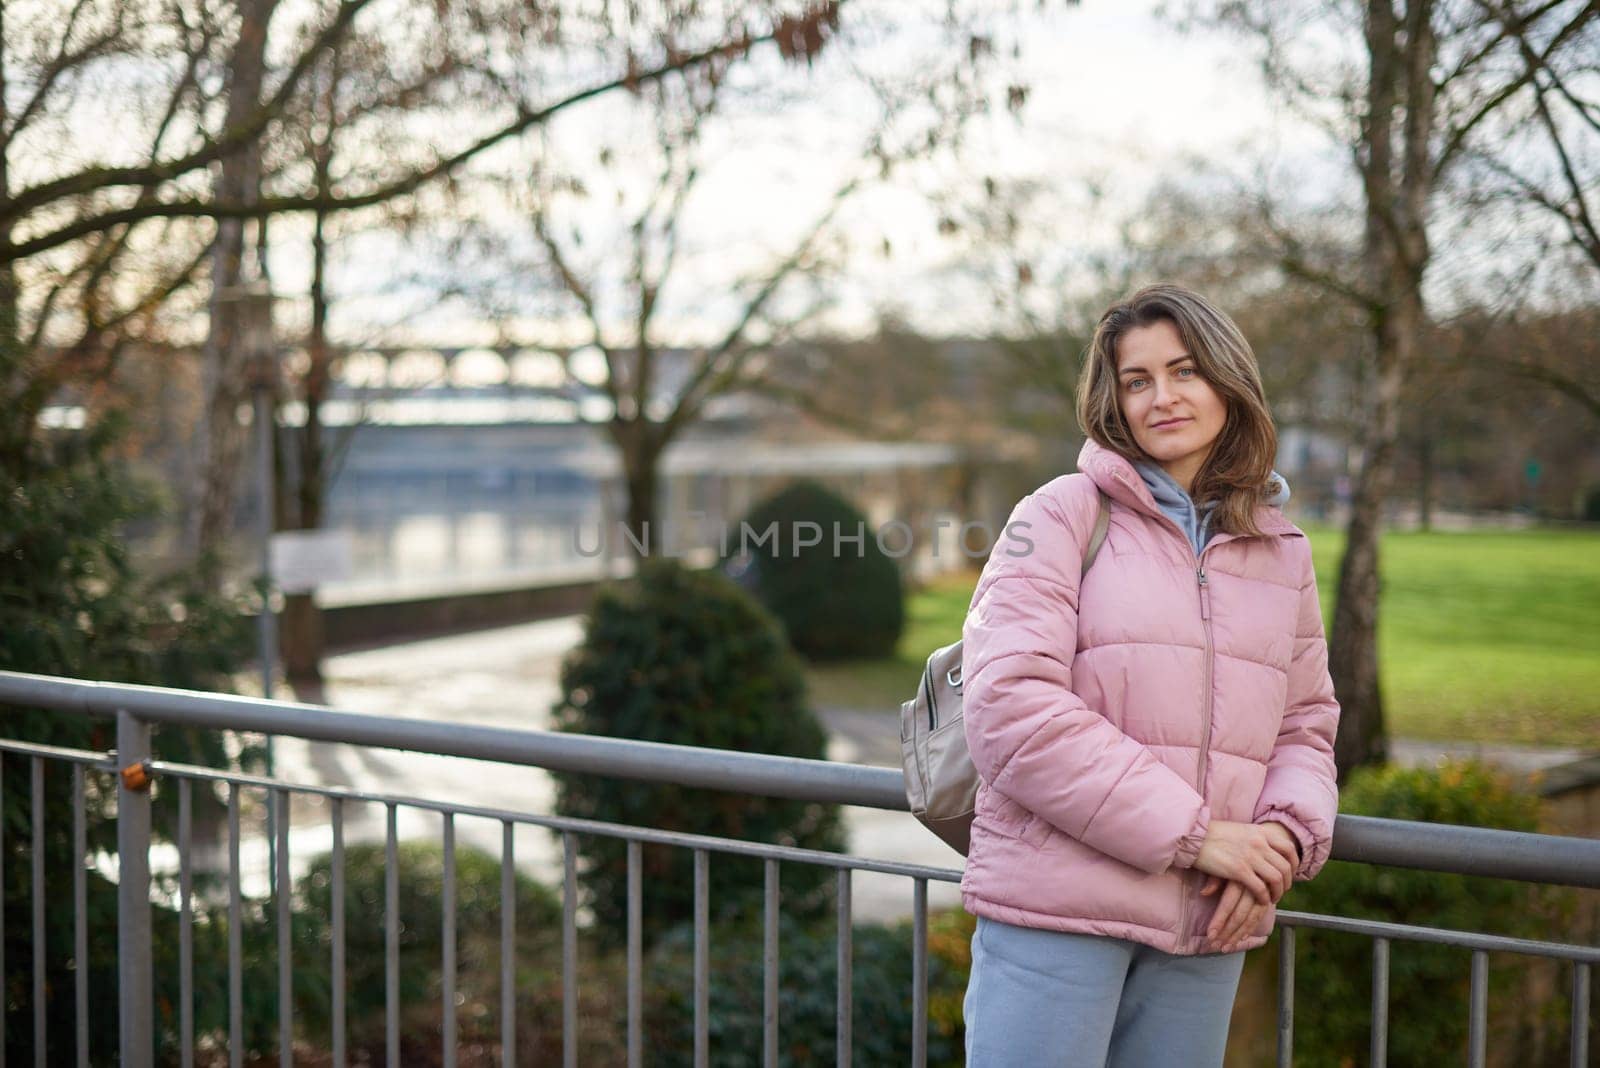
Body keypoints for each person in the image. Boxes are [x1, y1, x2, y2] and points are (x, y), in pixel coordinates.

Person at [959, 283, 1341, 1066]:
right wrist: (1201, 837)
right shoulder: (1059, 514)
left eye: (1185, 371)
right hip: (1057, 917)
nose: (1162, 397)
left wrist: (1281, 837)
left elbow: (1305, 725)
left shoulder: (1282, 548)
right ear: (1115, 399)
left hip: (1204, 929)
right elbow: (1010, 708)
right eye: (1138, 380)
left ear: (1227, 382)